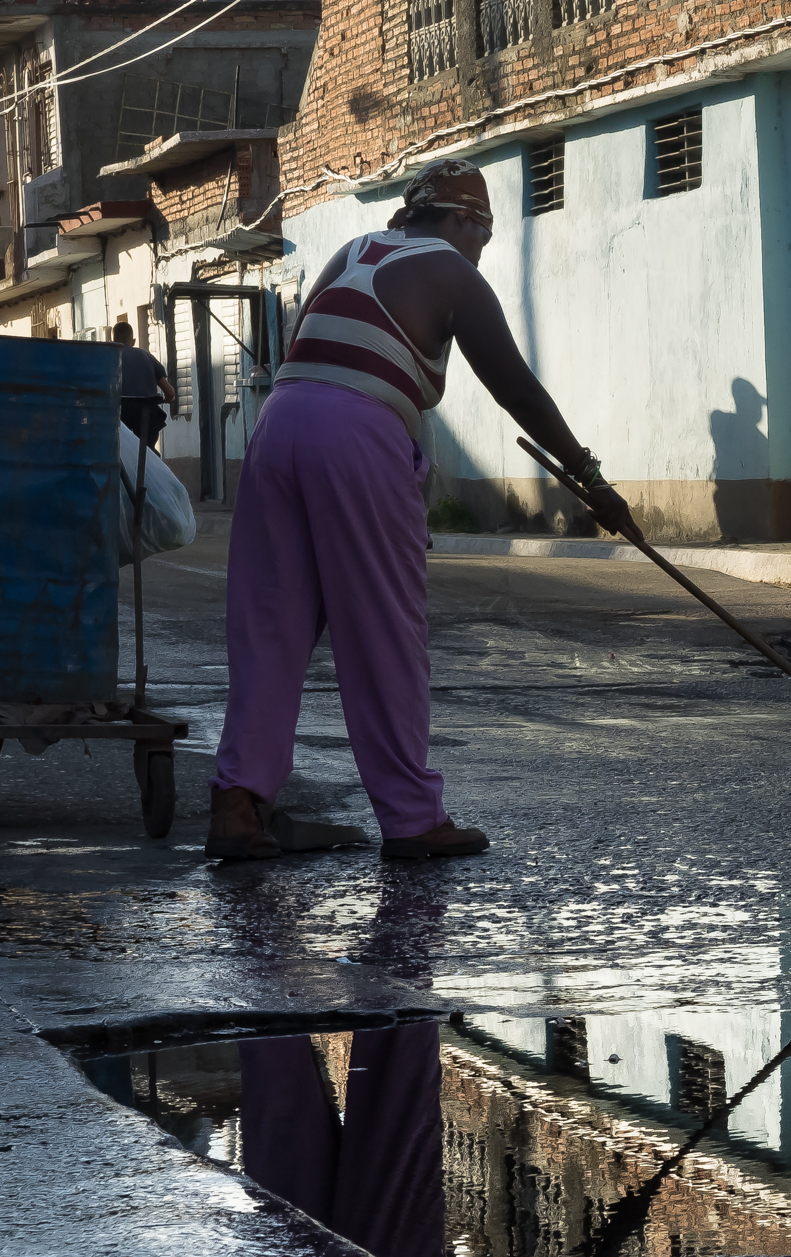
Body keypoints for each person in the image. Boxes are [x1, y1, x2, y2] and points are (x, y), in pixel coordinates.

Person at [205, 158, 638, 861]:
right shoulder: (454, 272)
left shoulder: (352, 252)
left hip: (279, 425)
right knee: (383, 629)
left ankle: (237, 804)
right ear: (468, 221)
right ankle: (411, 817)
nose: (478, 251)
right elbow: (517, 390)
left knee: (269, 626)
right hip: (357, 433)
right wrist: (590, 478)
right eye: (482, 236)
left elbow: (315, 352)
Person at [112, 320, 175, 450]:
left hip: (118, 420)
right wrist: (164, 400)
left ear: (112, 341)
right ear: (133, 341)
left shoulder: (108, 357)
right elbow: (170, 393)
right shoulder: (146, 356)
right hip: (146, 420)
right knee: (148, 450)